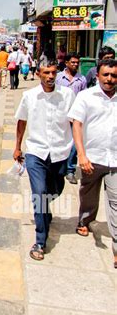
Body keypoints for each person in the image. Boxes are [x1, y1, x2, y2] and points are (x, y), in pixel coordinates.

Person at [14, 60, 75, 261]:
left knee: (56, 189)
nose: (50, 76)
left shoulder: (67, 96)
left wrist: (80, 150)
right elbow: (21, 121)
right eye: (46, 73)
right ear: (38, 74)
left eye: (53, 73)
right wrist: (17, 147)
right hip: (36, 153)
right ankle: (40, 240)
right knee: (39, 194)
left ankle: (44, 211)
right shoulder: (29, 96)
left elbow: (76, 122)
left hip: (60, 153)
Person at [69, 59, 117, 268]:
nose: (109, 79)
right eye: (106, 75)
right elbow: (77, 124)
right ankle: (85, 220)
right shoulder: (86, 96)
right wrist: (81, 154)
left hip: (114, 159)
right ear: (97, 76)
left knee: (115, 203)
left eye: (114, 75)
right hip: (92, 158)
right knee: (88, 194)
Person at [56, 52, 87, 184]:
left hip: (75, 117)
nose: (75, 64)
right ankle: (58, 167)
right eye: (73, 62)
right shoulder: (58, 77)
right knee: (60, 142)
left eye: (77, 62)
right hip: (59, 115)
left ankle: (70, 171)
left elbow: (83, 98)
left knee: (74, 145)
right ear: (66, 63)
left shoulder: (82, 79)